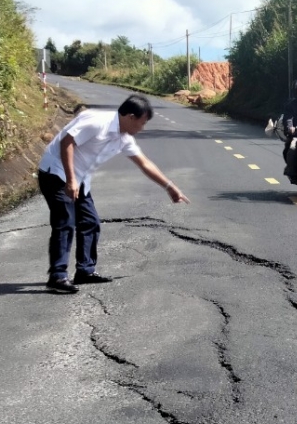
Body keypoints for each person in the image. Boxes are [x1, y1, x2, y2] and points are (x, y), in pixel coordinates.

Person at [36, 94, 188, 293]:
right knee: (65, 222)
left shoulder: (124, 138)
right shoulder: (98, 122)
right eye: (142, 123)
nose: (142, 128)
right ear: (131, 117)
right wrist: (71, 179)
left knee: (90, 222)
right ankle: (57, 277)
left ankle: (85, 271)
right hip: (56, 172)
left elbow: (144, 163)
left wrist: (170, 187)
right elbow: (67, 142)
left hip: (79, 178)